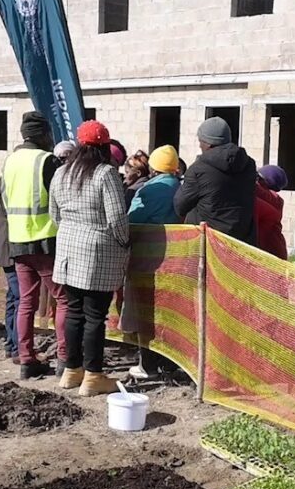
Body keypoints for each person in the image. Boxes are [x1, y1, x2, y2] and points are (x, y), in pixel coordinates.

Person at [50, 120, 131, 396]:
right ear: (104, 146)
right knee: (95, 315)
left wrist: (72, 232)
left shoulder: (61, 173)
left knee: (74, 311)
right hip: (99, 251)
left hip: (68, 248)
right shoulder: (105, 173)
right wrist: (124, 242)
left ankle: (72, 371)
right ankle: (94, 375)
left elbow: (54, 215)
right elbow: (117, 217)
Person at [0, 111, 69, 379]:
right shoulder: (46, 160)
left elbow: (4, 198)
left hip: (17, 241)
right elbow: (59, 198)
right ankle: (64, 357)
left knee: (26, 301)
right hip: (45, 240)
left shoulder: (10, 161)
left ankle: (26, 359)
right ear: (43, 134)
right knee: (63, 299)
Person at [124, 144, 182, 380]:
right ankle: (169, 363)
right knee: (171, 312)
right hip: (177, 257)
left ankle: (147, 364)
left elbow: (132, 220)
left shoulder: (149, 190)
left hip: (147, 258)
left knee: (147, 312)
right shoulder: (180, 187)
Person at [174, 117, 257, 246]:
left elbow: (180, 206)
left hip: (209, 245)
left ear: (208, 144)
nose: (199, 145)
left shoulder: (199, 169)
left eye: (200, 141)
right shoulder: (249, 164)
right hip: (242, 243)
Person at [254, 165, 288, 260]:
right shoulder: (272, 198)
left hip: (271, 252)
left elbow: (257, 190)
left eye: (259, 178)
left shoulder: (275, 199)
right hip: (270, 249)